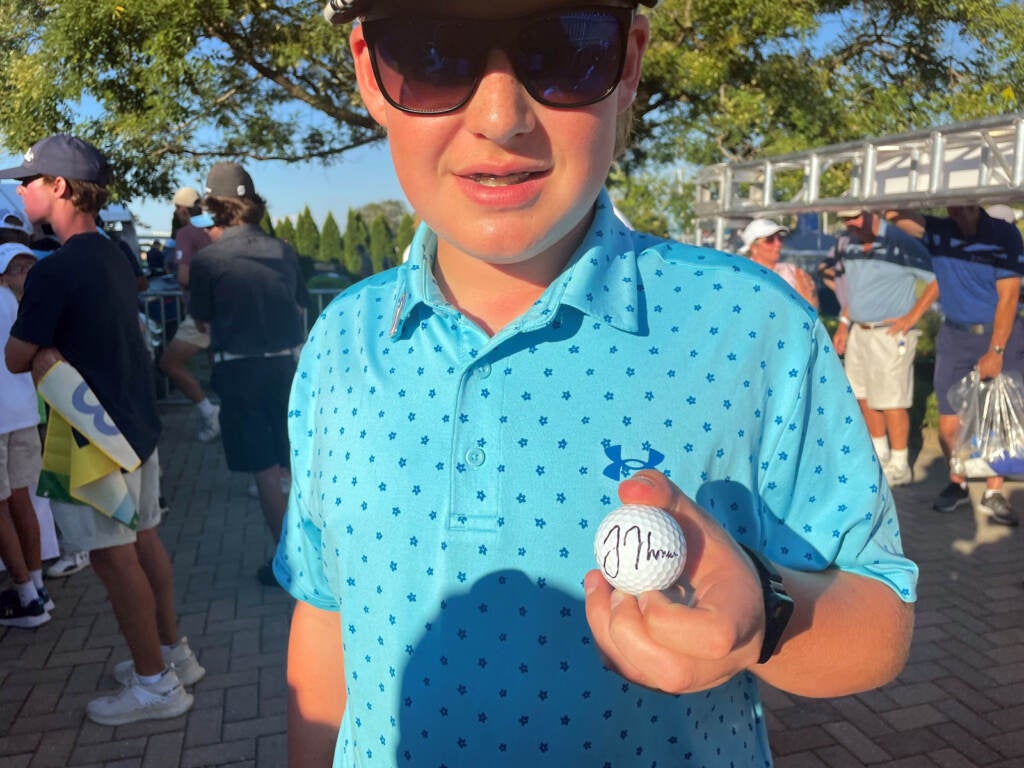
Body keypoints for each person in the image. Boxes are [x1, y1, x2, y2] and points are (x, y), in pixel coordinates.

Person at [274, 2, 917, 767]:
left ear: (630, 64)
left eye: (564, 50)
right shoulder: (342, 341)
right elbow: (324, 614)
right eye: (433, 51)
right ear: (368, 71)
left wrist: (765, 620)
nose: (500, 116)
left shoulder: (751, 325)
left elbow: (880, 622)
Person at [1, 134, 203, 724]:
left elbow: (17, 357)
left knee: (114, 560)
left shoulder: (51, 270)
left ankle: (155, 685)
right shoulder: (115, 252)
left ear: (59, 187)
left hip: (88, 434)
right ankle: (174, 657)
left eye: (31, 180)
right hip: (136, 423)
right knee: (144, 542)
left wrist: (21, 297)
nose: (21, 189)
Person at [188, 162, 307, 586]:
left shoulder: (207, 261)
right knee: (296, 463)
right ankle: (317, 552)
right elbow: (299, 304)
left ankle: (288, 563)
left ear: (215, 206)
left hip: (239, 371)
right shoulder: (283, 251)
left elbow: (201, 322)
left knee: (264, 469)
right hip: (287, 366)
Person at [890, 204, 1024, 525]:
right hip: (955, 337)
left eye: (968, 207)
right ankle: (959, 483)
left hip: (998, 335)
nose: (962, 215)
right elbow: (896, 217)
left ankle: (993, 491)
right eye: (955, 206)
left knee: (997, 420)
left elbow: (1008, 298)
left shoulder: (1003, 234)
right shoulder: (941, 230)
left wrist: (996, 349)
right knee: (949, 427)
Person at [829, 210, 934, 486]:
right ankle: (879, 456)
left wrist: (912, 317)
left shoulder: (900, 244)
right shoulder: (850, 245)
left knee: (892, 402)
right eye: (844, 219)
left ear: (870, 213)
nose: (849, 223)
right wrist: (843, 323)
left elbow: (937, 280)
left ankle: (901, 465)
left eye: (854, 217)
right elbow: (855, 291)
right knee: (864, 398)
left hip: (889, 334)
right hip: (859, 331)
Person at [0, 243, 52, 628]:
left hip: (8, 416)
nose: (23, 274)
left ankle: (26, 596)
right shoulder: (30, 306)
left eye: (26, 267)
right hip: (24, 413)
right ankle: (36, 587)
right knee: (23, 503)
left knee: (4, 508)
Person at [157, 187, 218, 442]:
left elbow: (184, 277)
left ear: (181, 209)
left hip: (201, 313)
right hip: (226, 310)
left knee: (169, 363)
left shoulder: (185, 233)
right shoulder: (214, 230)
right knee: (221, 368)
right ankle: (228, 418)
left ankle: (209, 411)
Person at [739, 218, 819, 308]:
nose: (778, 243)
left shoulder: (793, 272)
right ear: (754, 248)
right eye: (770, 240)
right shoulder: (741, 276)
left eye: (780, 238)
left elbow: (810, 311)